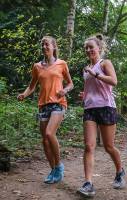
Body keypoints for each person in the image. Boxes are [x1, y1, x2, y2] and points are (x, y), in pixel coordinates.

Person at [17, 36, 74, 184]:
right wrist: (24, 94)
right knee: (44, 141)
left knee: (49, 133)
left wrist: (65, 91)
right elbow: (32, 86)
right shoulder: (37, 66)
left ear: (53, 47)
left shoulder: (62, 64)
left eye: (46, 44)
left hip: (58, 103)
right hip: (43, 105)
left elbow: (70, 83)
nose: (44, 47)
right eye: (42, 45)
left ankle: (59, 165)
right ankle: (53, 169)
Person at [77, 34, 125, 197]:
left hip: (106, 107)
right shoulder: (86, 69)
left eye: (91, 47)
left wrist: (95, 74)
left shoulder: (105, 63)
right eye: (86, 48)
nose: (89, 50)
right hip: (90, 109)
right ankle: (88, 182)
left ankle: (120, 171)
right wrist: (84, 95)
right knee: (89, 146)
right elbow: (91, 88)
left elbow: (113, 81)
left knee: (108, 146)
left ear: (99, 48)